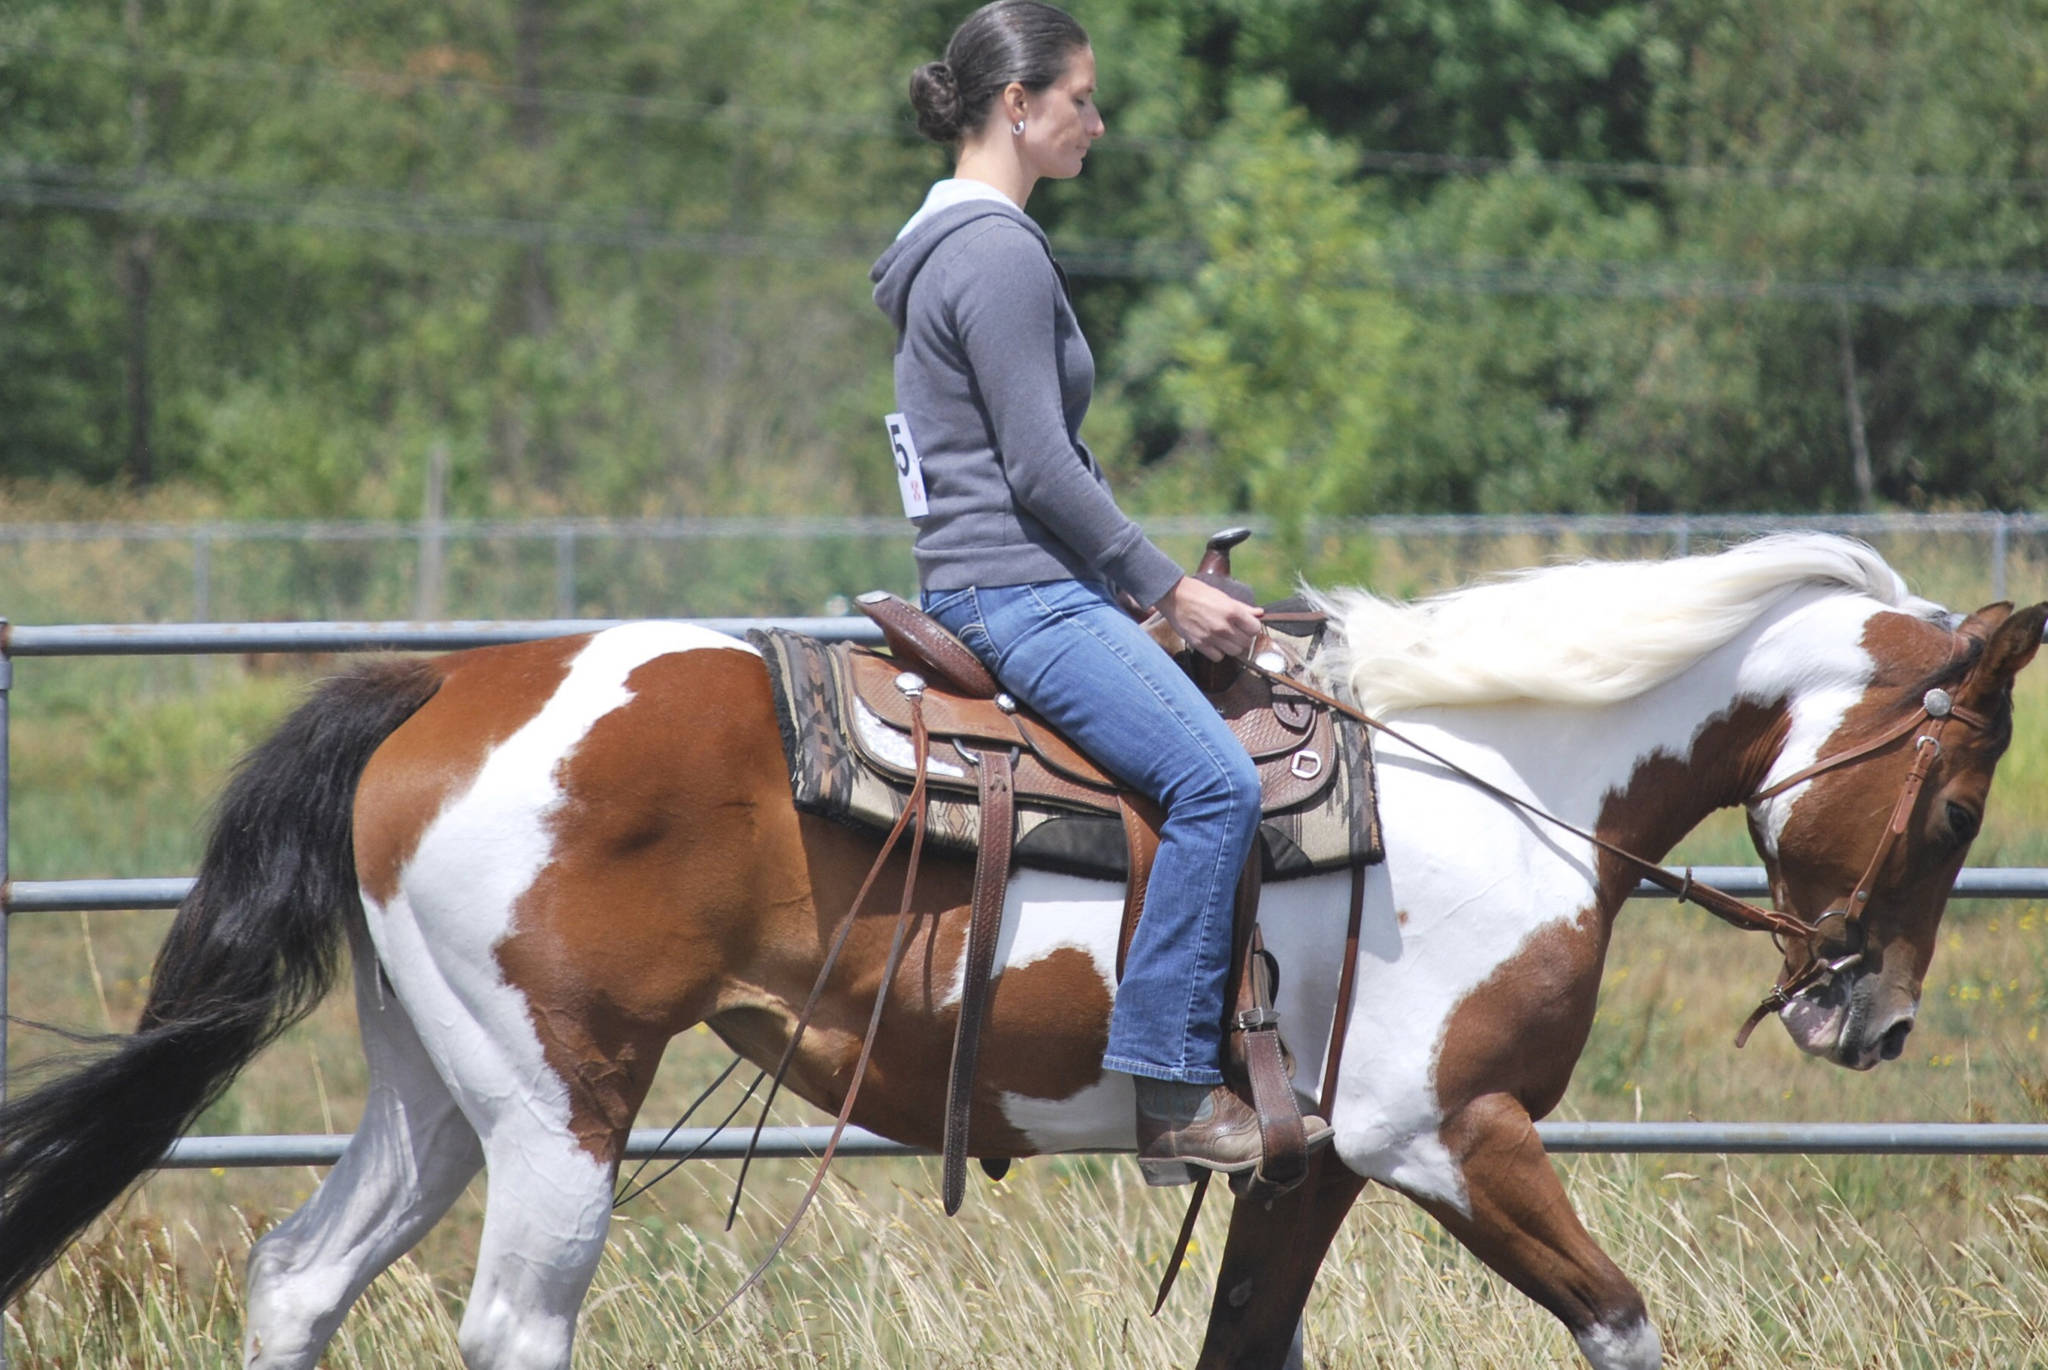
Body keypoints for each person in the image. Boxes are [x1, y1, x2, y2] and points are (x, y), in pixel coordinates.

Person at [869, 0, 1331, 1185]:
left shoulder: (949, 247)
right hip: (1016, 595)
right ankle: (1172, 1086)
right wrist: (1167, 587)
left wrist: (1132, 581)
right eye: (1080, 98)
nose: (1099, 121)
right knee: (1214, 781)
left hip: (1007, 579)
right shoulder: (995, 250)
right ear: (1015, 106)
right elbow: (1037, 466)